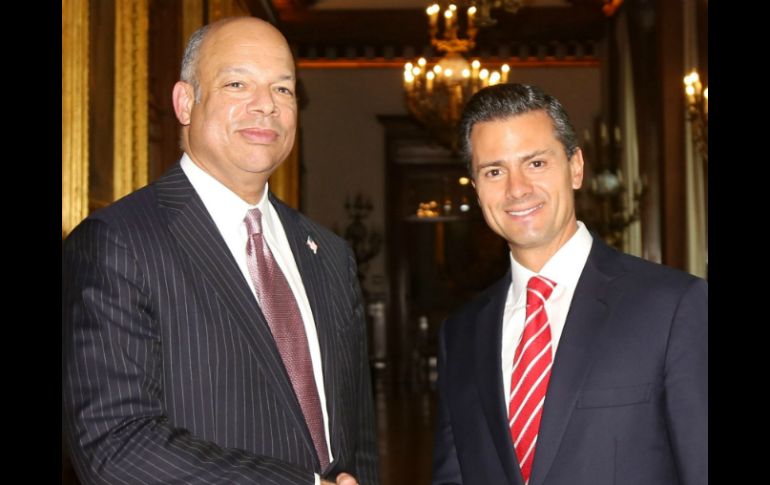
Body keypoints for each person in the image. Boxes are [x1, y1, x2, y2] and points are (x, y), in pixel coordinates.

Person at [62, 17, 379, 485]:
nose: (265, 106)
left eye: (283, 90)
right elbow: (116, 444)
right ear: (186, 102)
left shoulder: (329, 254)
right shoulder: (119, 242)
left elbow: (357, 439)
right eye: (237, 83)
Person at [431, 83, 707, 485]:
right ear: (476, 190)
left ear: (576, 167)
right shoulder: (460, 333)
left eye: (536, 163)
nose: (517, 188)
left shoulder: (673, 307)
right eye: (494, 171)